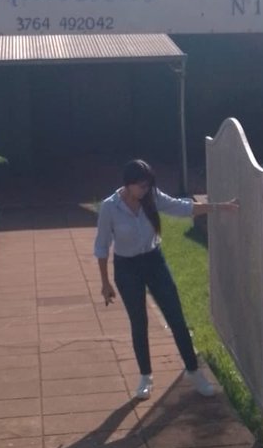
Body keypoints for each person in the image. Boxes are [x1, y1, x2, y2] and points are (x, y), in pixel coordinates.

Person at [94, 158, 238, 400]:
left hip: (154, 262)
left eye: (148, 185)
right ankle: (145, 377)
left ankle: (193, 371)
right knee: (139, 323)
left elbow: (182, 207)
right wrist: (105, 283)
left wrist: (219, 207)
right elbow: (101, 246)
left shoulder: (151, 196)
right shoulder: (110, 207)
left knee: (176, 318)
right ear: (128, 184)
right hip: (127, 268)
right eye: (141, 186)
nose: (145, 190)